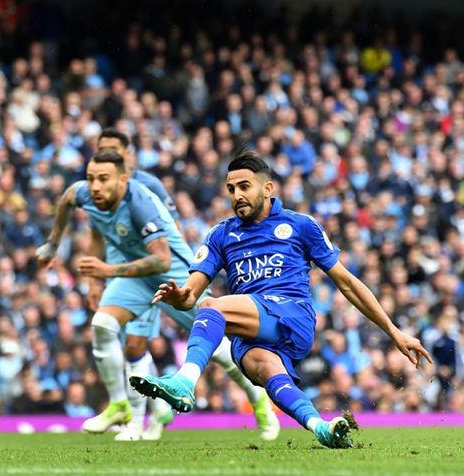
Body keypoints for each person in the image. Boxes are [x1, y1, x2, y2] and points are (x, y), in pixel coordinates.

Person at [130, 151, 432, 448]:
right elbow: (190, 296)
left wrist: (394, 331)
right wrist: (180, 297)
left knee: (212, 306)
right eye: (231, 189)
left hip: (292, 315)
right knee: (266, 371)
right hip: (251, 329)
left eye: (244, 186)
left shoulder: (300, 226)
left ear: (267, 188)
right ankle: (321, 427)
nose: (237, 195)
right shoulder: (221, 235)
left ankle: (185, 381)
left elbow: (348, 284)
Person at [36, 148, 279, 441]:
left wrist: (107, 270)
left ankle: (259, 402)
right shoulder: (85, 194)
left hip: (172, 275)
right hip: (136, 276)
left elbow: (161, 260)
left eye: (103, 179)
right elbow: (67, 200)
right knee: (103, 325)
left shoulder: (140, 202)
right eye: (91, 179)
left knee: (218, 349)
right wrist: (52, 244)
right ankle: (120, 405)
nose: (95, 186)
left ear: (123, 178)